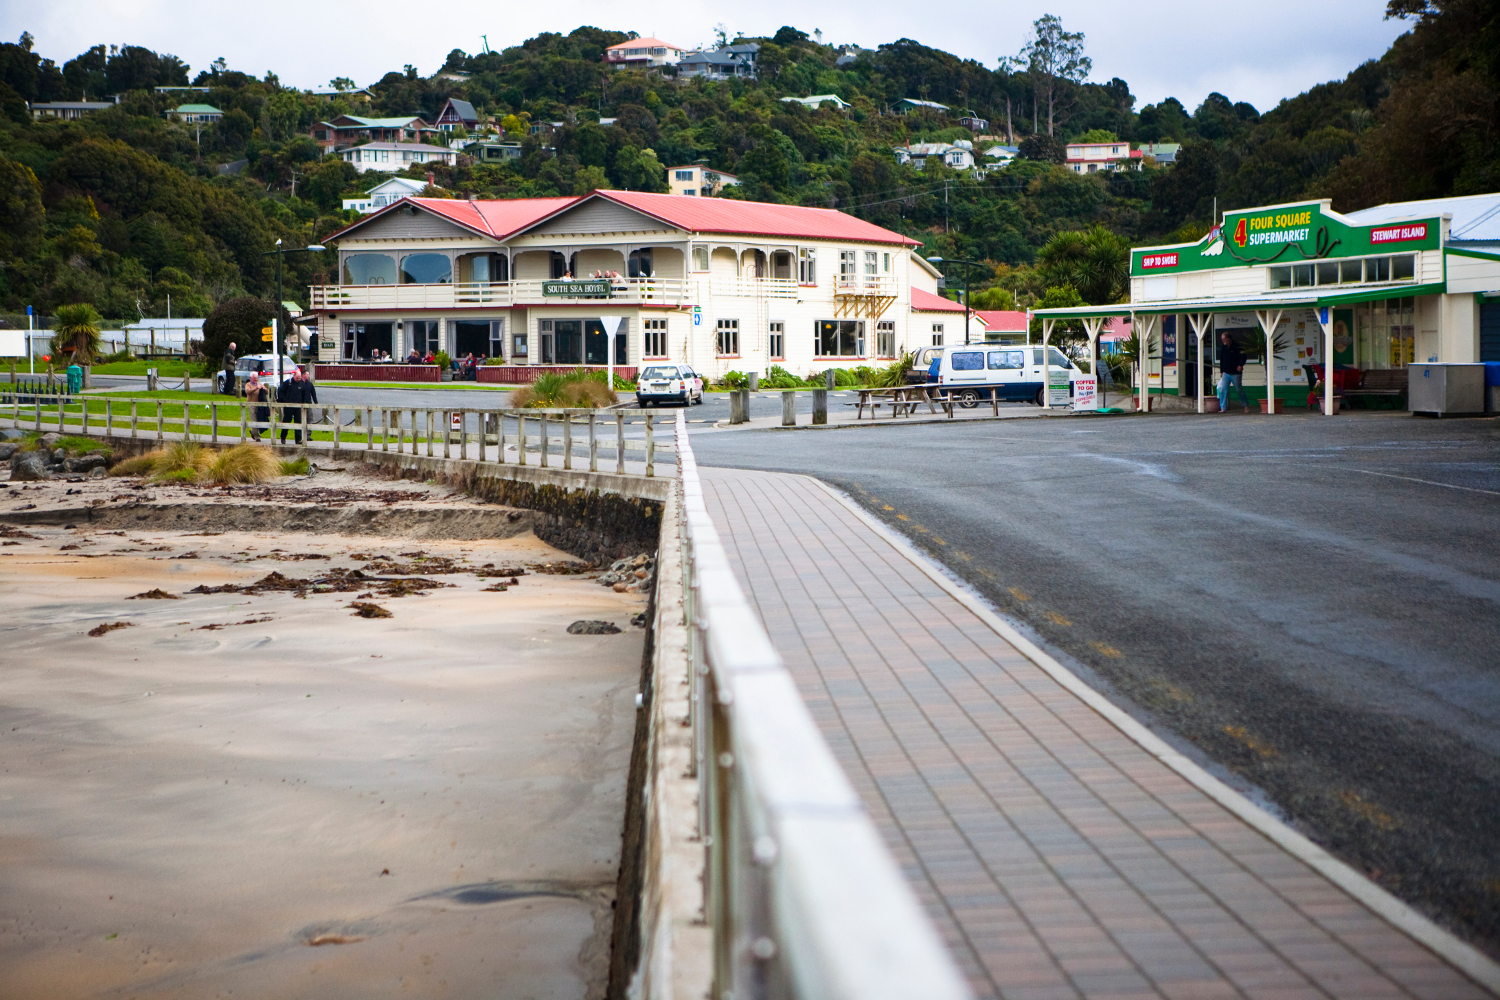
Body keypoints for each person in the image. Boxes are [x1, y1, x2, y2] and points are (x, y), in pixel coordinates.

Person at [1216, 331, 1251, 413]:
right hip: (1226, 372)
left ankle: (1245, 405)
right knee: (1223, 390)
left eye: (1224, 339)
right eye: (1222, 339)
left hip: (1236, 373)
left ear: (1228, 338)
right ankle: (1223, 408)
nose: (1223, 341)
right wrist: (1221, 371)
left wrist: (1240, 365)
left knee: (1239, 390)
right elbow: (1222, 359)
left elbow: (1243, 357)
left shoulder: (1237, 347)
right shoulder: (1223, 347)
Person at [278, 369, 305, 444]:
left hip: (298, 406)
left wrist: (303, 403)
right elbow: (281, 392)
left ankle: (298, 439)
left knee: (298, 422)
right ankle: (283, 437)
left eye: (299, 378)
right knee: (287, 421)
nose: (298, 379)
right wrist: (285, 400)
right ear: (294, 376)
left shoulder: (301, 384)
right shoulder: (288, 383)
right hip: (288, 406)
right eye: (297, 378)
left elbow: (303, 394)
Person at [245, 375, 269, 441]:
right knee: (254, 420)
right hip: (251, 405)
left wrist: (264, 389)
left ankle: (253, 432)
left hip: (259, 406)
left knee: (259, 419)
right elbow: (247, 392)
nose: (256, 379)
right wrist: (256, 388)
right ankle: (256, 436)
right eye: (254, 378)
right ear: (250, 378)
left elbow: (267, 393)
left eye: (256, 378)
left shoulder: (259, 383)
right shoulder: (248, 384)